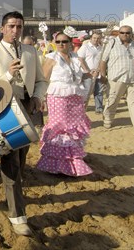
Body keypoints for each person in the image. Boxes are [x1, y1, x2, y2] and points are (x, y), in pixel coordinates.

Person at [0, 11, 48, 237]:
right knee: (10, 160)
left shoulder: (30, 51)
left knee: (20, 158)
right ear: (2, 28)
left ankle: (14, 194)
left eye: (19, 27)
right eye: (11, 26)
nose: (15, 31)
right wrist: (8, 75)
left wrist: (39, 96)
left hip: (27, 108)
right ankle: (18, 215)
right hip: (5, 110)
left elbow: (40, 80)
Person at [37, 28, 95, 176]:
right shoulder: (51, 58)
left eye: (64, 41)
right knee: (60, 128)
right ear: (54, 43)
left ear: (70, 42)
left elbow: (86, 76)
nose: (61, 44)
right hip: (58, 98)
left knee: (74, 128)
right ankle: (57, 163)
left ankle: (73, 161)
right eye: (58, 42)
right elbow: (43, 79)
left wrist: (92, 75)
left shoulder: (77, 58)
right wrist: (41, 98)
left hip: (75, 98)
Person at [77, 30, 105, 113]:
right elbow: (80, 59)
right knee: (87, 91)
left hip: (98, 73)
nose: (96, 40)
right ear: (91, 38)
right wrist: (87, 71)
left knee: (99, 91)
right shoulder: (85, 47)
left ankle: (99, 108)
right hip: (87, 74)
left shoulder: (101, 48)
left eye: (98, 38)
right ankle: (82, 107)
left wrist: (100, 70)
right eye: (94, 38)